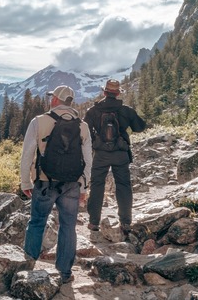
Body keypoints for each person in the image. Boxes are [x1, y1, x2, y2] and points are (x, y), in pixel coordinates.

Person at [20, 85, 92, 284]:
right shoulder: (82, 126)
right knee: (68, 226)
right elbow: (88, 159)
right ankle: (65, 273)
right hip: (71, 184)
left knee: (37, 221)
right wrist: (83, 187)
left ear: (54, 100)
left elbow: (27, 155)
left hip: (44, 181)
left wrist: (25, 181)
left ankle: (29, 264)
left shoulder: (39, 121)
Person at [84, 79, 146, 235]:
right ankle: (125, 222)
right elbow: (140, 127)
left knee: (97, 184)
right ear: (118, 93)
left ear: (104, 92)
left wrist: (97, 142)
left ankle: (93, 222)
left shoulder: (93, 110)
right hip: (120, 153)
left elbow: (85, 132)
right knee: (123, 185)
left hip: (100, 154)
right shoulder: (126, 110)